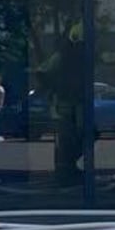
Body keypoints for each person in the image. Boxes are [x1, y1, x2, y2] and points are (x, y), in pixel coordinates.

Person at [37, 23, 85, 185]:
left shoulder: (66, 55)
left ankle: (69, 172)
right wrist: (56, 87)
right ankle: (66, 173)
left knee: (75, 138)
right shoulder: (64, 56)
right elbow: (43, 72)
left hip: (74, 105)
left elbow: (43, 72)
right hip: (68, 105)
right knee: (68, 140)